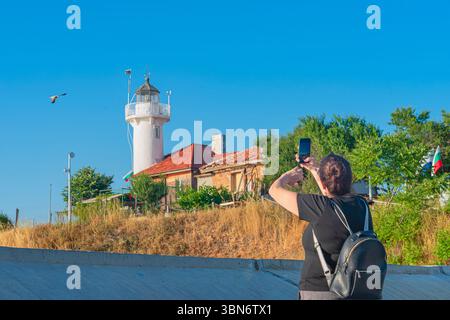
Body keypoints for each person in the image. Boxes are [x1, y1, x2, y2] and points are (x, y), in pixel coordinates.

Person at [269, 153, 373, 300]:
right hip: (355, 292)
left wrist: (287, 176)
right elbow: (331, 194)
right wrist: (314, 169)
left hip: (321, 293)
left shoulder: (321, 208)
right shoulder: (362, 206)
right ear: (350, 181)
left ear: (324, 184)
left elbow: (274, 190)